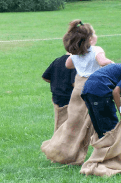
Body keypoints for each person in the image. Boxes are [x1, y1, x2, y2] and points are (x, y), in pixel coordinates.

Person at [41, 19, 113, 165]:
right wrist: (113, 65)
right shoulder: (97, 49)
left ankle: (58, 150)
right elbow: (103, 62)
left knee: (72, 123)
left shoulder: (75, 53)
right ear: (91, 39)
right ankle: (105, 152)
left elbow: (68, 65)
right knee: (92, 123)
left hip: (77, 90)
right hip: (93, 88)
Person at [42, 52, 76, 132]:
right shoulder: (74, 62)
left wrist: (57, 84)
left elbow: (45, 77)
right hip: (69, 98)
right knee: (66, 128)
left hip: (57, 97)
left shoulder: (57, 60)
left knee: (60, 124)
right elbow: (74, 83)